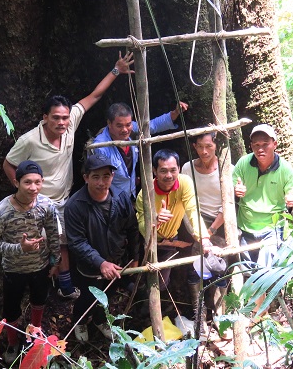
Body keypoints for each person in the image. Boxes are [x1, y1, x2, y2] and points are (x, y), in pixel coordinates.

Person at [3, 52, 134, 300]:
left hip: (64, 199)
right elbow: (9, 164)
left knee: (64, 242)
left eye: (64, 117)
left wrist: (116, 70)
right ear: (45, 118)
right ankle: (40, 288)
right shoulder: (29, 140)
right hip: (39, 202)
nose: (62, 122)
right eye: (56, 118)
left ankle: (64, 285)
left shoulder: (71, 122)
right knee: (41, 243)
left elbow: (94, 96)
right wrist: (22, 191)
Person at [0, 161, 61, 364]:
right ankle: (12, 342)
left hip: (40, 266)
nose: (33, 188)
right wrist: (19, 248)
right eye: (27, 182)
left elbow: (54, 234)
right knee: (11, 309)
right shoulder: (1, 212)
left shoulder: (46, 205)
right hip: (13, 269)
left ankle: (35, 335)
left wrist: (56, 261)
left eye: (37, 182)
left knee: (39, 301)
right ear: (16, 182)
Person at [64, 154, 139, 342]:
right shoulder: (75, 205)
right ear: (86, 177)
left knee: (108, 295)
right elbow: (77, 242)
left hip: (117, 261)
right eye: (95, 177)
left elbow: (132, 229)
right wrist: (100, 263)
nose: (101, 182)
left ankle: (99, 320)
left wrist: (135, 257)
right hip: (89, 267)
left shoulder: (120, 198)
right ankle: (80, 321)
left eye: (106, 176)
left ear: (112, 176)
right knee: (88, 297)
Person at [181, 132, 234, 338]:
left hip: (220, 223)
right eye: (200, 146)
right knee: (196, 269)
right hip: (196, 222)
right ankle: (199, 319)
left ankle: (221, 318)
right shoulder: (187, 168)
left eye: (209, 146)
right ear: (194, 146)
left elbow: (228, 203)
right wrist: (198, 233)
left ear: (216, 146)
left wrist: (210, 231)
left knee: (219, 267)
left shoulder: (227, 169)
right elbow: (186, 202)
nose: (204, 151)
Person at [136, 149, 210, 292]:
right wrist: (155, 220)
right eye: (163, 171)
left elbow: (193, 210)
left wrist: (204, 238)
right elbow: (142, 227)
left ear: (179, 169)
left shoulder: (184, 183)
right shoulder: (144, 194)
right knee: (145, 278)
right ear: (154, 171)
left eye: (173, 170)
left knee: (161, 283)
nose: (169, 175)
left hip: (170, 240)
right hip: (150, 242)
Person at [232, 124, 293, 269]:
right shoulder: (243, 163)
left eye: (265, 144)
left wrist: (292, 201)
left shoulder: (285, 169)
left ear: (274, 144)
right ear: (251, 146)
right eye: (256, 145)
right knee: (247, 271)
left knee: (264, 270)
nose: (260, 149)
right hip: (245, 227)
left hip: (272, 229)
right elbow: (229, 195)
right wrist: (235, 192)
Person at [91, 101, 189, 199]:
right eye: (119, 126)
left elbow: (152, 126)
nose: (125, 130)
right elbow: (99, 180)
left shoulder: (132, 129)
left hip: (131, 195)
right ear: (109, 123)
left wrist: (175, 112)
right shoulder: (101, 147)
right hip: (111, 199)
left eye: (128, 124)